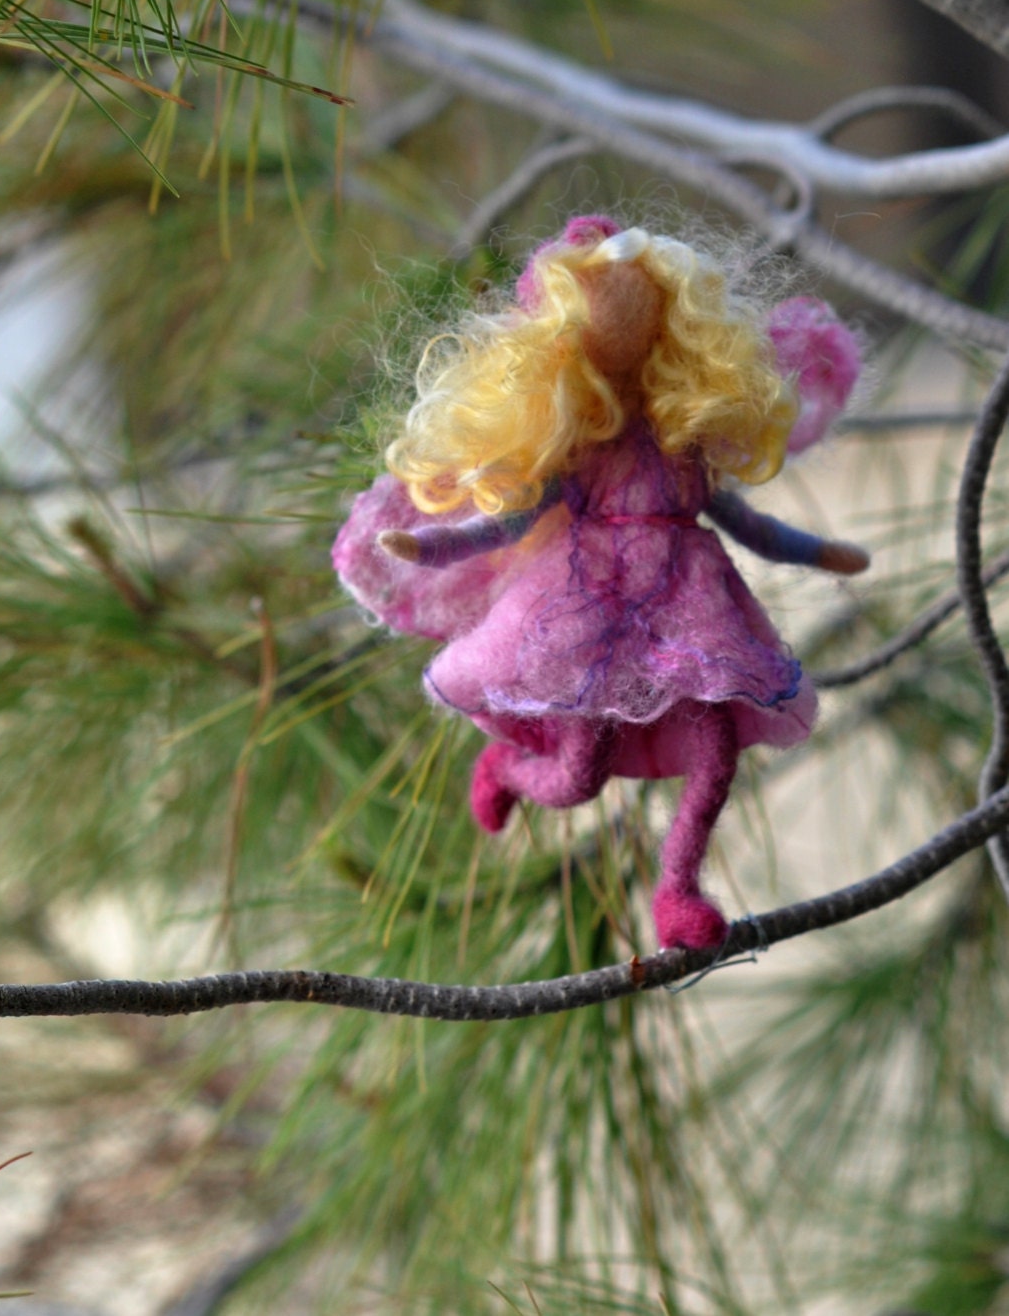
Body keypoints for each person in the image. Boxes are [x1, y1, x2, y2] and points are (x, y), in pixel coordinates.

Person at [333, 216, 868, 949]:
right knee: (577, 774)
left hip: (690, 608)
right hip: (584, 613)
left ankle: (678, 891)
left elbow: (747, 525)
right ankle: (510, 770)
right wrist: (429, 547)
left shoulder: (685, 439)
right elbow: (508, 523)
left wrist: (819, 552)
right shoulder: (578, 447)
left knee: (715, 748)